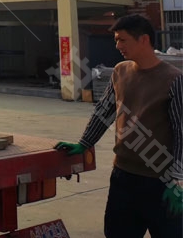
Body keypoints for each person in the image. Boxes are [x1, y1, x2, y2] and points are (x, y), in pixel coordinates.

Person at [54, 14, 182, 237]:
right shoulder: (120, 72)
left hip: (161, 183)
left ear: (143, 40)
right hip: (123, 178)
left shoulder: (174, 80)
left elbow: (181, 132)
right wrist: (84, 143)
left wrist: (178, 180)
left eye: (122, 40)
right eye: (116, 40)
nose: (117, 46)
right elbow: (104, 112)